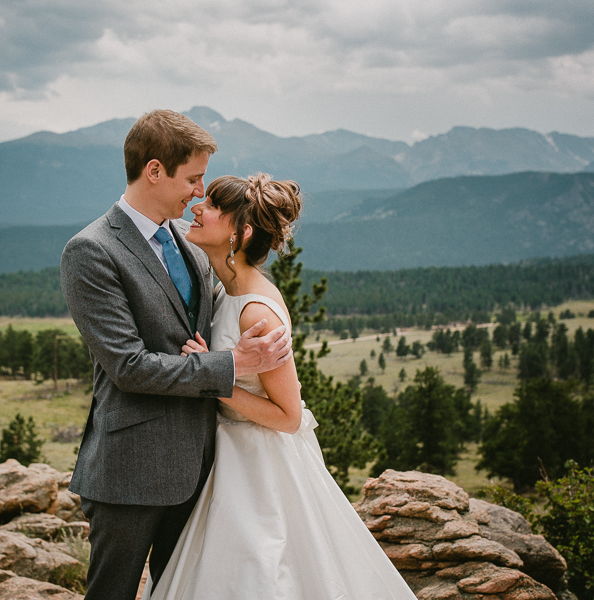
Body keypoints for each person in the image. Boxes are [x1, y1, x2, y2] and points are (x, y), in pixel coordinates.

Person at [143, 173, 417, 599]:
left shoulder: (258, 313)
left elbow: (289, 417)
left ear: (241, 232)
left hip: (261, 468)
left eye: (212, 204)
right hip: (226, 457)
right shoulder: (223, 290)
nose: (198, 206)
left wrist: (212, 381)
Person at [60, 110, 293, 600]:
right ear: (154, 171)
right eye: (193, 178)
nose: (198, 192)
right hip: (130, 470)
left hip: (202, 468)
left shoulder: (188, 246)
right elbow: (128, 366)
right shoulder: (92, 250)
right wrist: (232, 365)